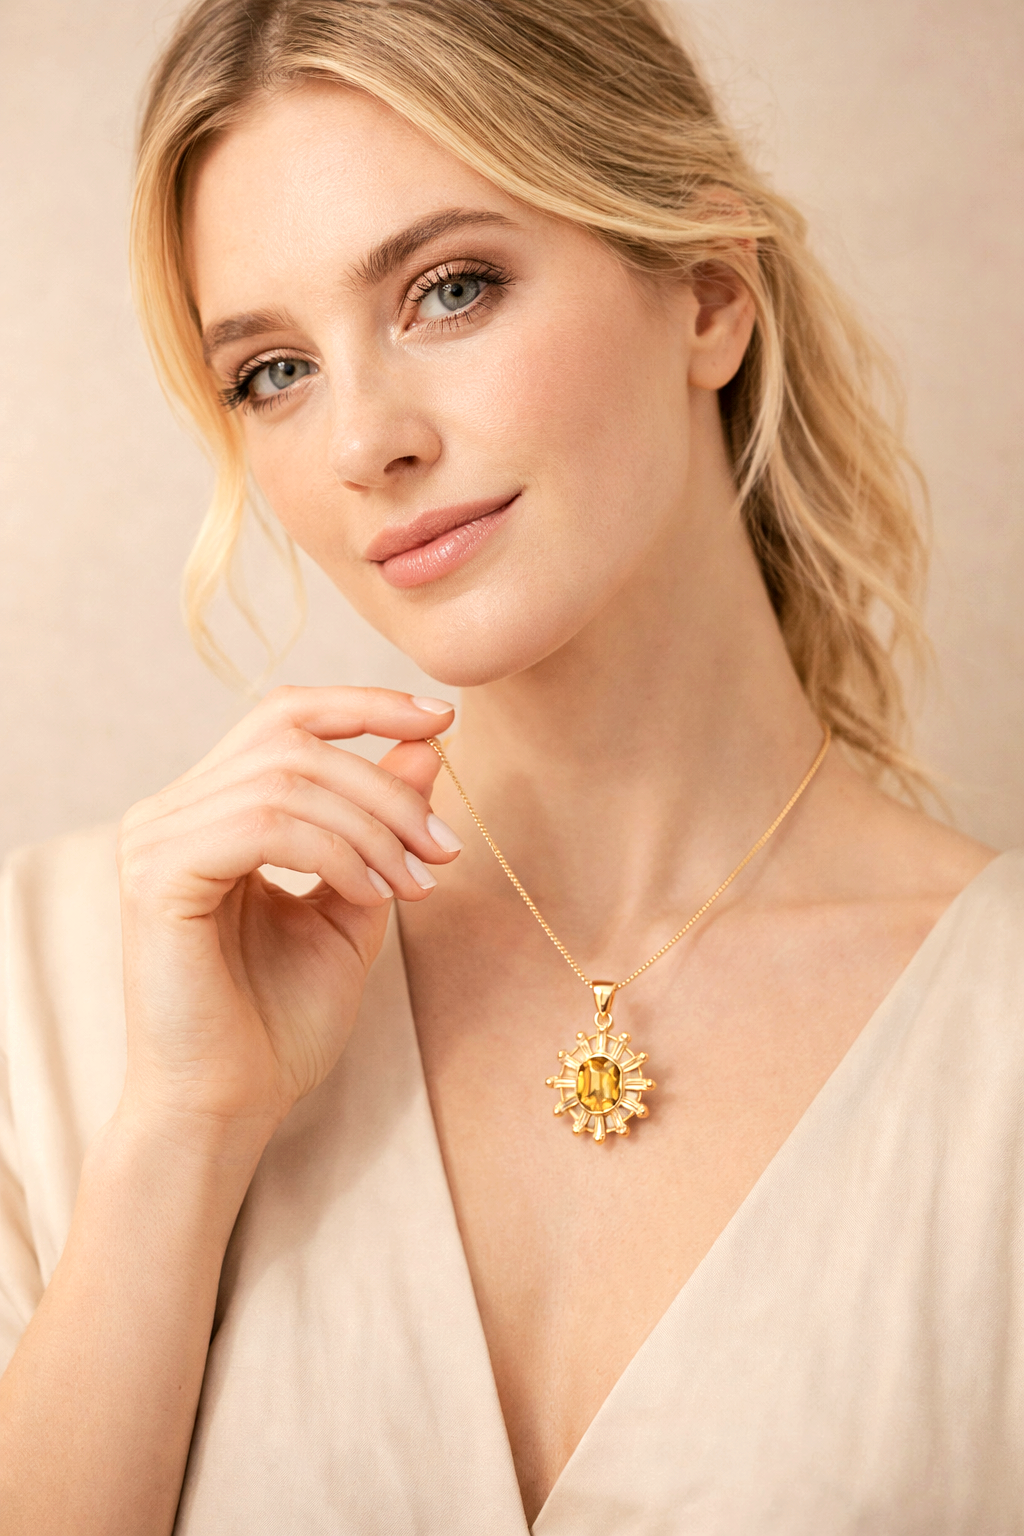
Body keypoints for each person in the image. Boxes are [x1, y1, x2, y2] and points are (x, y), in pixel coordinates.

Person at [0, 1, 1020, 1531]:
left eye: (450, 289)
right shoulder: (74, 979)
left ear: (708, 296)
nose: (364, 443)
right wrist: (184, 1131)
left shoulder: (994, 1044)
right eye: (271, 372)